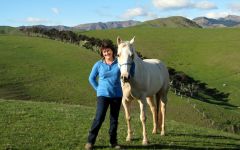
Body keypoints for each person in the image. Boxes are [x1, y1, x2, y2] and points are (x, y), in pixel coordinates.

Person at [85, 40, 122, 150]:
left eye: (108, 50)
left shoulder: (119, 63)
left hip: (117, 95)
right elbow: (91, 78)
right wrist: (98, 89)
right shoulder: (98, 64)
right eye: (104, 52)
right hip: (103, 96)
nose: (106, 53)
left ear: (112, 51)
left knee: (114, 119)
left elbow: (130, 71)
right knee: (99, 118)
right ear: (102, 53)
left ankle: (113, 142)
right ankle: (90, 142)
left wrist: (131, 62)